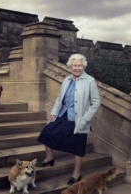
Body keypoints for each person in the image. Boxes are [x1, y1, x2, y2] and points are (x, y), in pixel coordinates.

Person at [36, 53, 101, 185]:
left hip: (79, 119)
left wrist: (85, 119)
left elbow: (96, 102)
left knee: (78, 145)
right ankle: (49, 158)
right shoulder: (67, 80)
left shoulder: (90, 81)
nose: (77, 68)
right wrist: (54, 113)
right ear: (70, 66)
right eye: (74, 65)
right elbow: (60, 98)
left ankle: (76, 173)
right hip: (63, 114)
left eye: (79, 66)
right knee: (47, 132)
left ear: (83, 67)